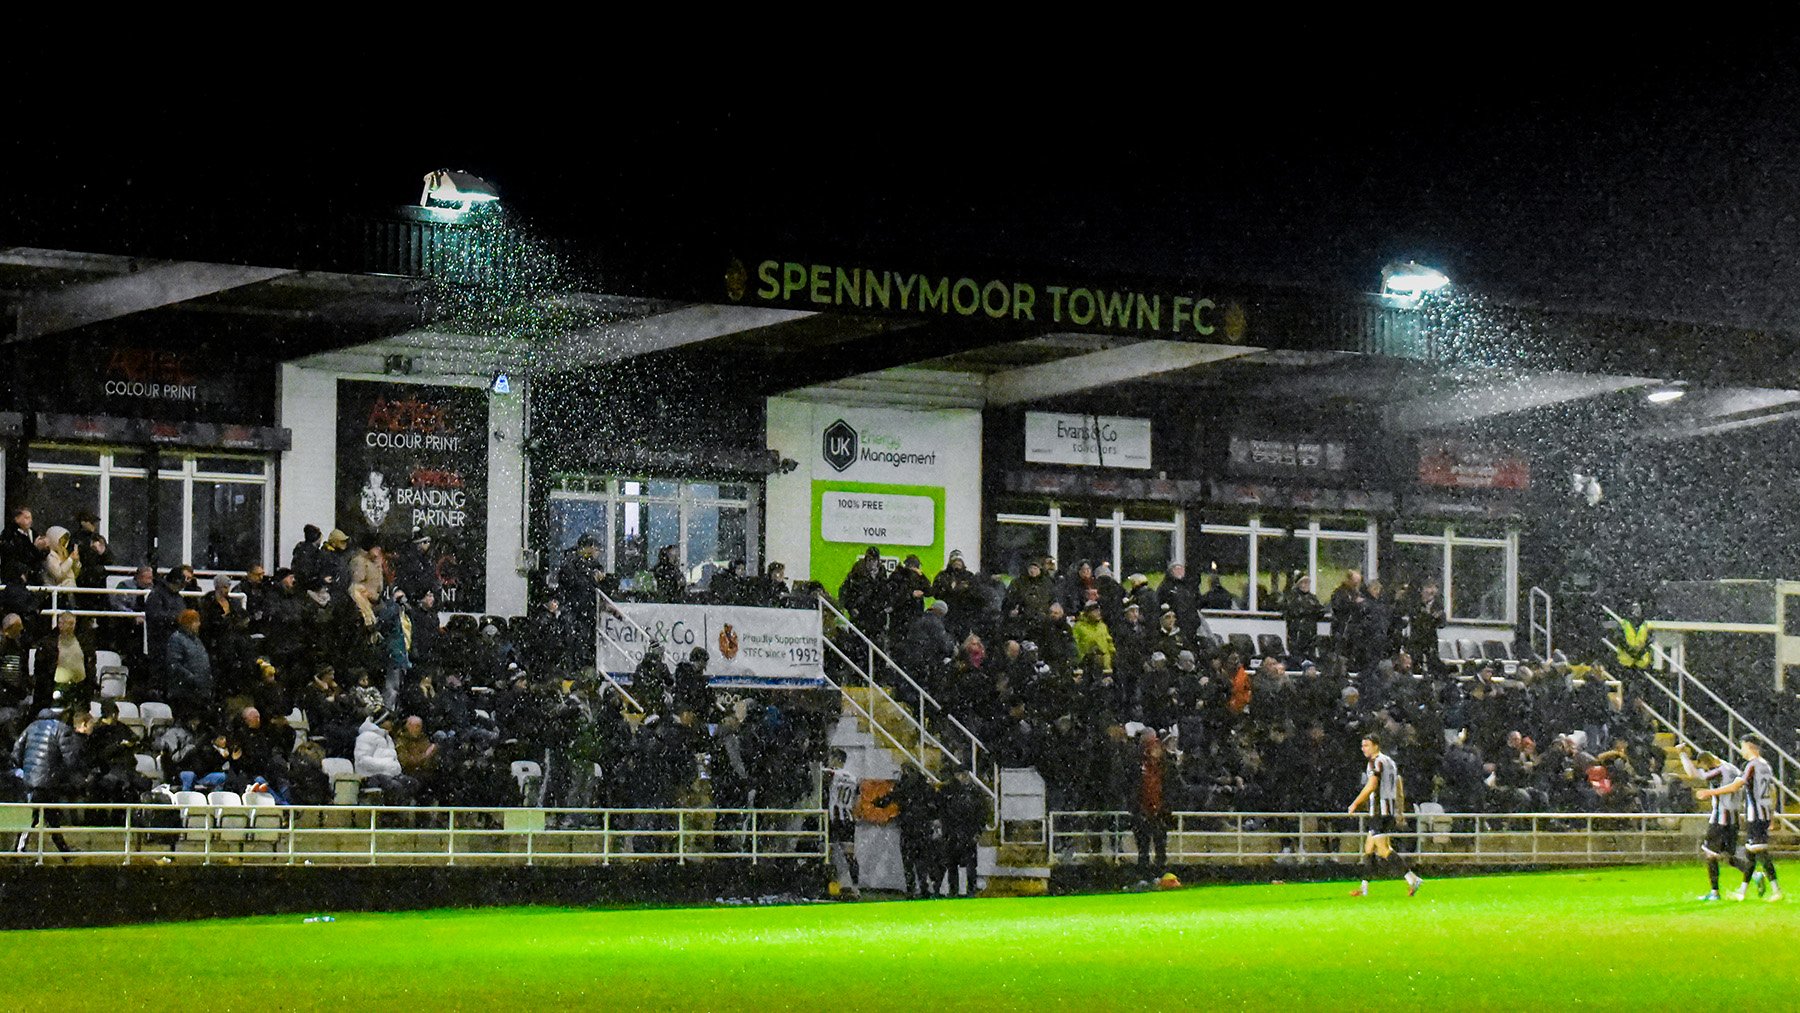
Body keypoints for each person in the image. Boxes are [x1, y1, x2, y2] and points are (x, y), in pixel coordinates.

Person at [1696, 737, 1783, 902]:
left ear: (1749, 747)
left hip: (1755, 815)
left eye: (1742, 746)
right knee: (1750, 852)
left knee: (1760, 852)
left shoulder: (1752, 765)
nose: (1741, 750)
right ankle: (1742, 892)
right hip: (1762, 813)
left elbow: (1736, 786)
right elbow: (1772, 790)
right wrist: (1771, 814)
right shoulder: (1766, 765)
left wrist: (1709, 793)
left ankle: (1776, 890)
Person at [1347, 733, 1422, 897]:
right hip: (1388, 809)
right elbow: (1399, 785)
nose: (1363, 749)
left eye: (1366, 745)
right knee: (1369, 847)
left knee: (1383, 850)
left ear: (1375, 745)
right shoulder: (1390, 762)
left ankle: (1412, 878)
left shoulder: (1375, 762)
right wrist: (1399, 810)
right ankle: (1364, 888)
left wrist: (1355, 803)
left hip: (1379, 811)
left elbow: (1372, 785)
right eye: (1362, 746)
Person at [1682, 745, 1753, 901]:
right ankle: (1753, 874)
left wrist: (1682, 754)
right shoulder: (1731, 767)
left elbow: (1693, 774)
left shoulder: (1719, 771)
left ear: (1706, 763)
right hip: (1734, 816)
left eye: (1703, 766)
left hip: (1722, 817)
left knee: (1710, 853)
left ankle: (1714, 892)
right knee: (1728, 855)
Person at [11, 706, 76, 853]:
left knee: (42, 816)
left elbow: (16, 753)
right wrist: (61, 775)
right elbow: (70, 759)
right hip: (49, 781)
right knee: (42, 817)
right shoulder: (61, 729)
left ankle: (64, 851)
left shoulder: (30, 728)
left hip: (30, 780)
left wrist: (26, 771)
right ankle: (18, 850)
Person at [823, 748, 861, 899]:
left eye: (832, 758)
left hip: (834, 818)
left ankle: (832, 887)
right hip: (848, 819)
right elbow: (857, 800)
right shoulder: (853, 777)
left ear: (837, 759)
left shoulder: (832, 773)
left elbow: (820, 774)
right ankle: (856, 888)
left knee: (828, 853)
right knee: (850, 856)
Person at [165, 609, 214, 719]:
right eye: (196, 621)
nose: (199, 624)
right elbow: (174, 664)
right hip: (184, 693)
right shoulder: (176, 639)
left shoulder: (196, 640)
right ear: (188, 623)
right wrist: (191, 678)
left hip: (198, 691)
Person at [1283, 574, 1325, 662]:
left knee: (1311, 657)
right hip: (1297, 635)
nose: (1306, 585)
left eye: (1308, 583)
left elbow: (1320, 611)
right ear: (1299, 584)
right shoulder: (1292, 597)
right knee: (1296, 658)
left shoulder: (1312, 598)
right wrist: (1310, 611)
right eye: (1304, 582)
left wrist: (1310, 612)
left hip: (1310, 635)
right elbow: (1295, 612)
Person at [0, 506, 45, 589]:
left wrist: (43, 548)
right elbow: (13, 555)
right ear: (17, 519)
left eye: (31, 518)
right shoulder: (10, 534)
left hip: (33, 575)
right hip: (16, 577)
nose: (30, 521)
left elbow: (40, 555)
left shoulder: (33, 533)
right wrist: (34, 548)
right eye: (26, 518)